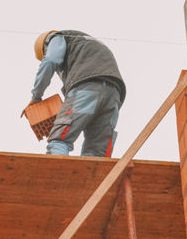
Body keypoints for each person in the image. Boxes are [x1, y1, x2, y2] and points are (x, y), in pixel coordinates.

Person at [29, 29, 126, 157]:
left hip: (86, 88)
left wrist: (36, 97)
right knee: (97, 154)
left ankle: (57, 175)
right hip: (114, 96)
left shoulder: (56, 38)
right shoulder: (87, 45)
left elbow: (50, 61)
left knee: (59, 140)